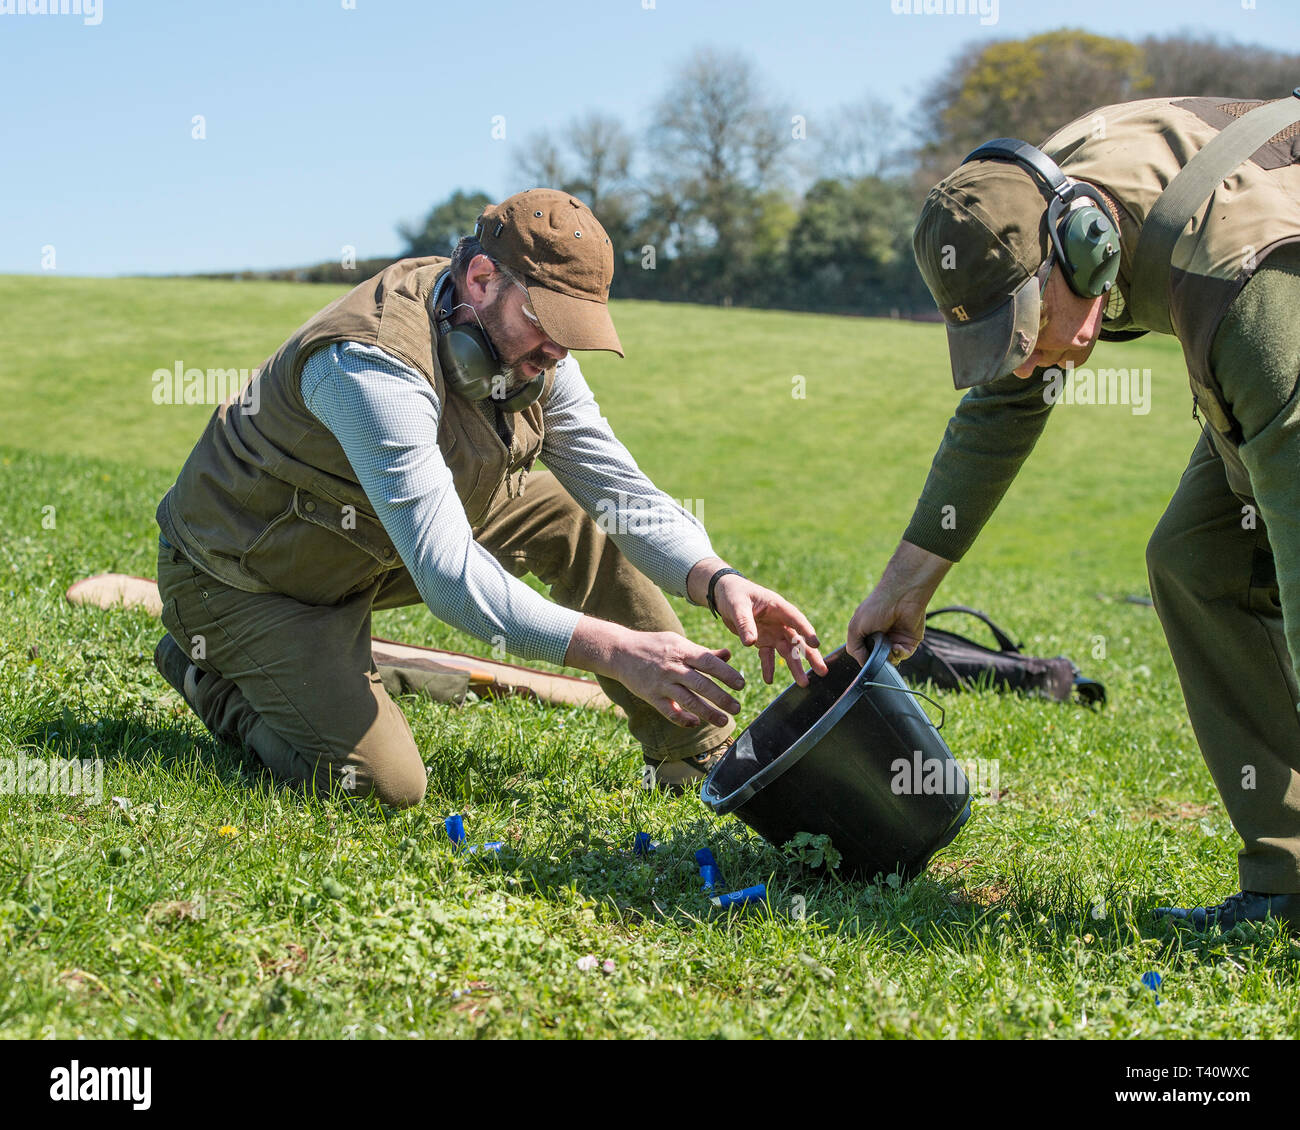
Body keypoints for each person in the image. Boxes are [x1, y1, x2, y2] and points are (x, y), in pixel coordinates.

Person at [152, 188, 826, 806]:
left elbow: (619, 488)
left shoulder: (533, 351)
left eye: (575, 327)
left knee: (576, 515)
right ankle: (206, 674)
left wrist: (717, 579)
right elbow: (448, 575)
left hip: (371, 550)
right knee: (384, 786)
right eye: (549, 321)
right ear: (480, 280)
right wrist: (614, 650)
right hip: (251, 579)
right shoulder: (370, 364)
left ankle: (690, 751)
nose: (559, 349)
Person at [847, 94, 1300, 930]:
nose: (1028, 363)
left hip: (1279, 323)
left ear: (1084, 251)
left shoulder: (1245, 285)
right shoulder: (1023, 202)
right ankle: (1290, 885)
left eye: (1027, 329)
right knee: (1201, 562)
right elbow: (1004, 405)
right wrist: (905, 585)